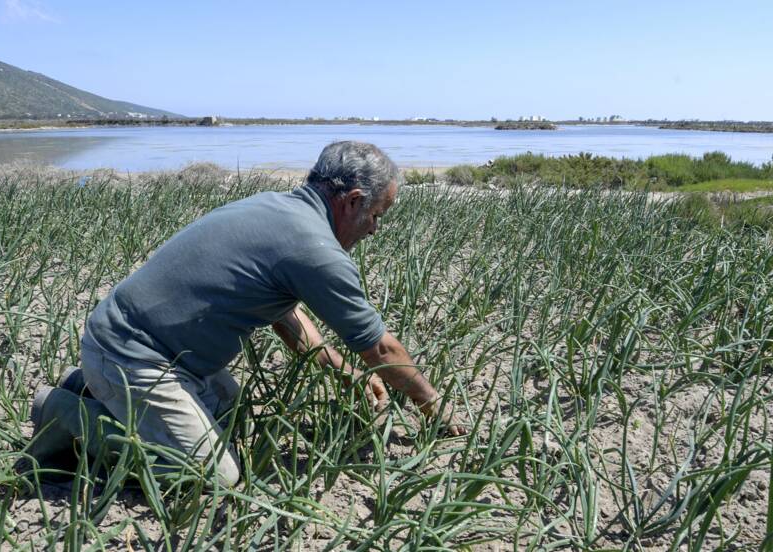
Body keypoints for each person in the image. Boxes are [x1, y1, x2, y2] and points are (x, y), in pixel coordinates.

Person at [29, 141, 464, 486]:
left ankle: (85, 384)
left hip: (147, 347)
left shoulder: (280, 209)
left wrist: (339, 368)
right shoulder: (315, 249)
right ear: (351, 201)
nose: (375, 229)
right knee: (211, 473)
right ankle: (63, 411)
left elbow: (285, 316)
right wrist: (433, 405)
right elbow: (382, 349)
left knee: (230, 410)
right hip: (132, 353)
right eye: (375, 215)